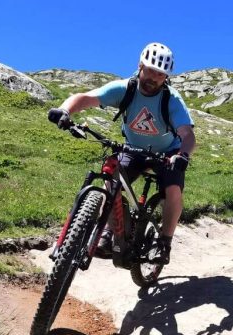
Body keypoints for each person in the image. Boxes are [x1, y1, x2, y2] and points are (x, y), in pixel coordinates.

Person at [47, 42, 195, 265]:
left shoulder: (171, 100)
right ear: (140, 66)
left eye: (160, 74)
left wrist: (182, 155)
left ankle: (164, 243)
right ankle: (109, 232)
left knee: (173, 190)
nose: (154, 78)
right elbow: (86, 98)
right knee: (110, 179)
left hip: (167, 152)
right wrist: (65, 110)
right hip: (133, 148)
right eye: (150, 70)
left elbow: (187, 133)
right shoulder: (125, 89)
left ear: (166, 77)